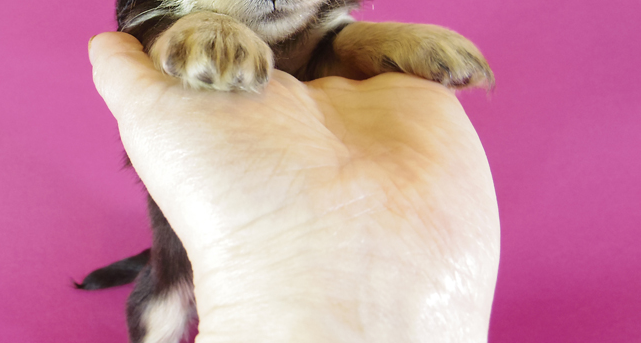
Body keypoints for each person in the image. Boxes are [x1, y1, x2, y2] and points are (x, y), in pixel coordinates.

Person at [89, 32, 500, 343]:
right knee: (162, 315)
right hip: (175, 260)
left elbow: (331, 47)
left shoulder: (324, 29)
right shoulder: (179, 29)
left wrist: (368, 40)